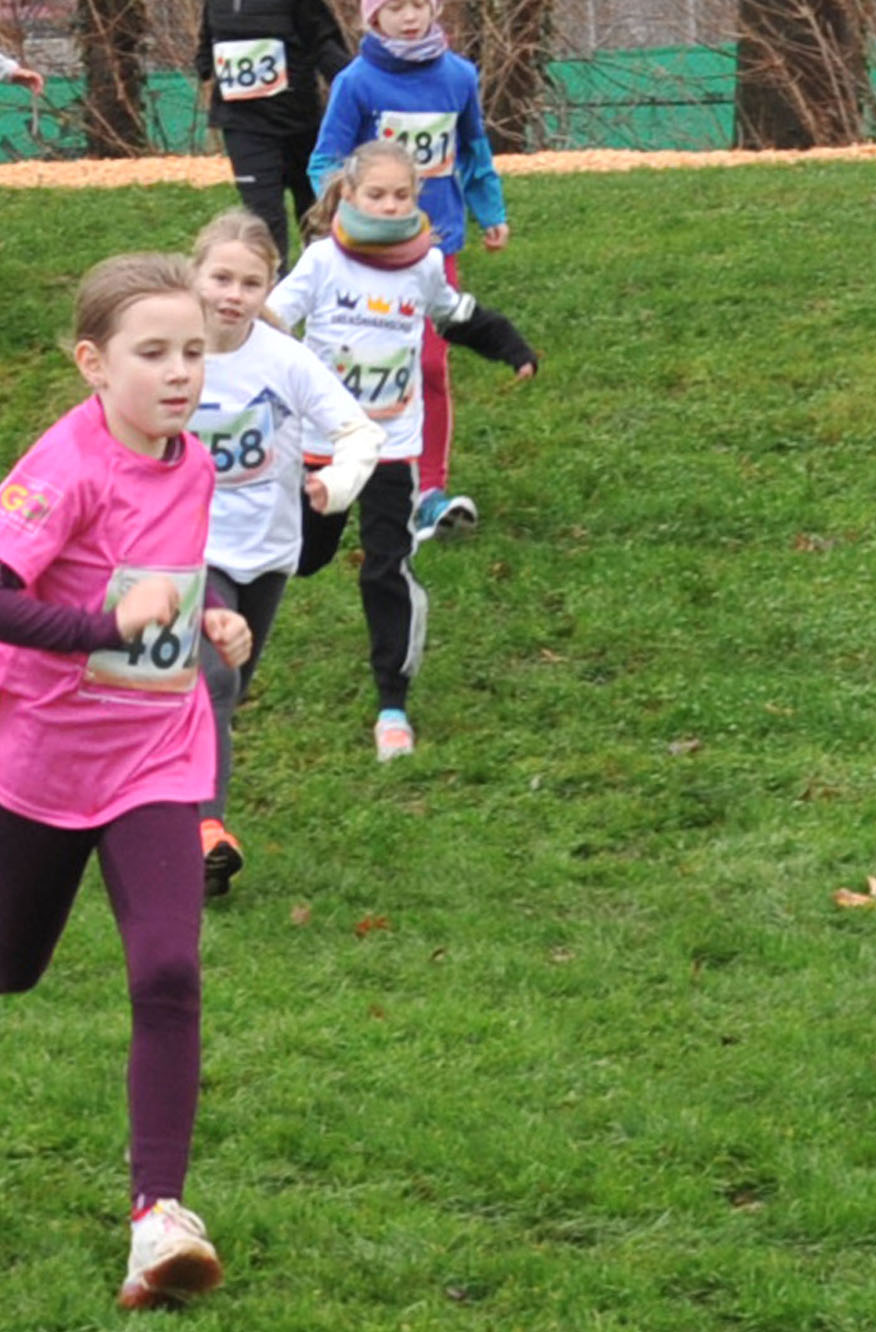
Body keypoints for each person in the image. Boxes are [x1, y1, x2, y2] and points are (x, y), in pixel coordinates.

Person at [0, 253, 253, 1309]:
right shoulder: (60, 467)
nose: (181, 372)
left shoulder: (189, 459)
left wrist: (209, 616)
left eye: (193, 350)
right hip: (41, 759)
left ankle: (158, 1218)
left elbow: (165, 580)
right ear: (94, 363)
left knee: (167, 970)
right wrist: (109, 628)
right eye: (154, 353)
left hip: (157, 752)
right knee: (11, 968)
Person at [271, 139, 534, 761]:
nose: (389, 207)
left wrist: (511, 346)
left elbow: (456, 314)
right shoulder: (321, 262)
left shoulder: (425, 263)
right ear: (349, 195)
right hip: (322, 443)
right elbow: (272, 321)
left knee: (386, 567)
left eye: (402, 196)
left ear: (416, 199)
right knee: (305, 556)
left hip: (393, 447)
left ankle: (393, 704)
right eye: (376, 195)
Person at [187, 208, 381, 894]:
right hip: (187, 548)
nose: (232, 295)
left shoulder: (287, 361)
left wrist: (335, 482)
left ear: (270, 289)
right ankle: (206, 833)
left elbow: (361, 434)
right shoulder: (170, 348)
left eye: (250, 282)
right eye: (220, 278)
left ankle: (163, 807)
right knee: (212, 680)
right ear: (194, 275)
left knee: (226, 692)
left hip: (266, 551)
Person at [309, 0, 511, 542]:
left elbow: (472, 149)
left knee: (429, 363)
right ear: (372, 17)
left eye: (419, 4)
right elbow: (325, 159)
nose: (409, 17)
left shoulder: (459, 76)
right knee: (360, 363)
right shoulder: (356, 83)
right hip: (365, 251)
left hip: (434, 245)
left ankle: (429, 490)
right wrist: (343, 217)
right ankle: (335, 464)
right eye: (394, 6)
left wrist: (490, 209)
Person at [194, 0, 352, 264]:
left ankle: (319, 281)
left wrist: (357, 85)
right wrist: (204, 62)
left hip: (299, 122)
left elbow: (324, 43)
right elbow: (210, 38)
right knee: (263, 218)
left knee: (315, 213)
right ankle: (270, 293)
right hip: (243, 124)